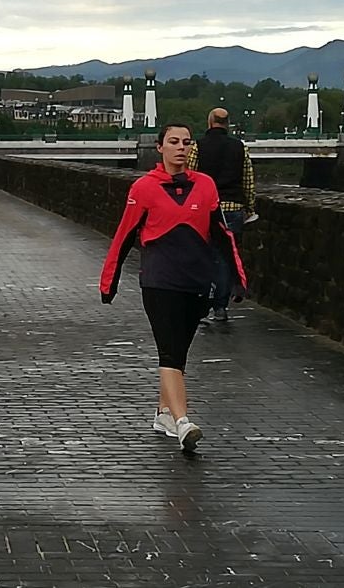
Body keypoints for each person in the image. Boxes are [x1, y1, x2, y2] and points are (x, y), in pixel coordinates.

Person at [99, 123, 246, 452]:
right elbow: (124, 235)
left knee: (178, 352)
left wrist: (237, 278)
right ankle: (183, 423)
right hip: (158, 282)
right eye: (173, 142)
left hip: (195, 282)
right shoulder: (143, 188)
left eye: (186, 142)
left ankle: (164, 412)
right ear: (160, 147)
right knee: (170, 352)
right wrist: (109, 280)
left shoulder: (206, 186)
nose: (180, 147)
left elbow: (223, 236)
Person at [187, 107, 255, 322]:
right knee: (226, 258)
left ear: (210, 122)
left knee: (204, 255)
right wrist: (250, 208)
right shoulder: (239, 147)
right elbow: (248, 181)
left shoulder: (198, 147)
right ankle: (220, 307)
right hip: (233, 208)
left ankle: (203, 303)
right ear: (227, 123)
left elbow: (190, 176)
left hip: (207, 208)